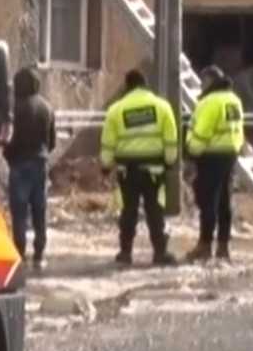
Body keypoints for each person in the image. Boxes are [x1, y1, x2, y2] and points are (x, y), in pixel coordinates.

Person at [100, 69, 179, 267]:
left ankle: (125, 253)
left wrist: (106, 166)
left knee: (129, 211)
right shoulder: (162, 107)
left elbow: (108, 144)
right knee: (155, 210)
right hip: (154, 171)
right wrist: (170, 162)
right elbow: (170, 140)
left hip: (127, 171)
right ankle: (160, 253)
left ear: (127, 86)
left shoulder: (116, 110)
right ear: (145, 85)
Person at [185, 67, 245, 263]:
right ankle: (223, 246)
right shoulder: (233, 100)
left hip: (210, 156)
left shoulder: (209, 102)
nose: (201, 85)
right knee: (225, 201)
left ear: (210, 81)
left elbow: (201, 133)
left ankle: (204, 245)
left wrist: (191, 153)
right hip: (230, 154)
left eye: (203, 81)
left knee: (208, 201)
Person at [4, 66, 56, 269]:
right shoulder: (47, 108)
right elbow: (51, 142)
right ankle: (40, 252)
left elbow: (7, 137)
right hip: (40, 163)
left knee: (19, 211)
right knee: (39, 208)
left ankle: (20, 252)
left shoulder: (13, 108)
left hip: (18, 164)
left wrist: (8, 155)